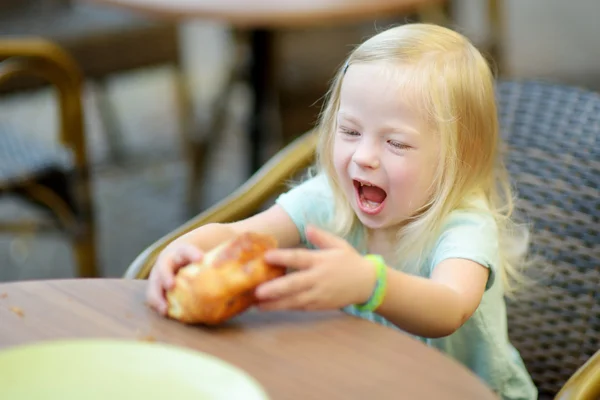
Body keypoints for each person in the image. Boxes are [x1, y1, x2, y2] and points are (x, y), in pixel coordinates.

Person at [146, 23, 537, 399]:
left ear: (459, 156)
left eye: (396, 143)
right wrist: (186, 250)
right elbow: (241, 237)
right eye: (350, 131)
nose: (363, 157)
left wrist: (371, 283)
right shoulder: (332, 200)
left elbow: (449, 306)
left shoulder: (464, 225)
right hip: (366, 380)